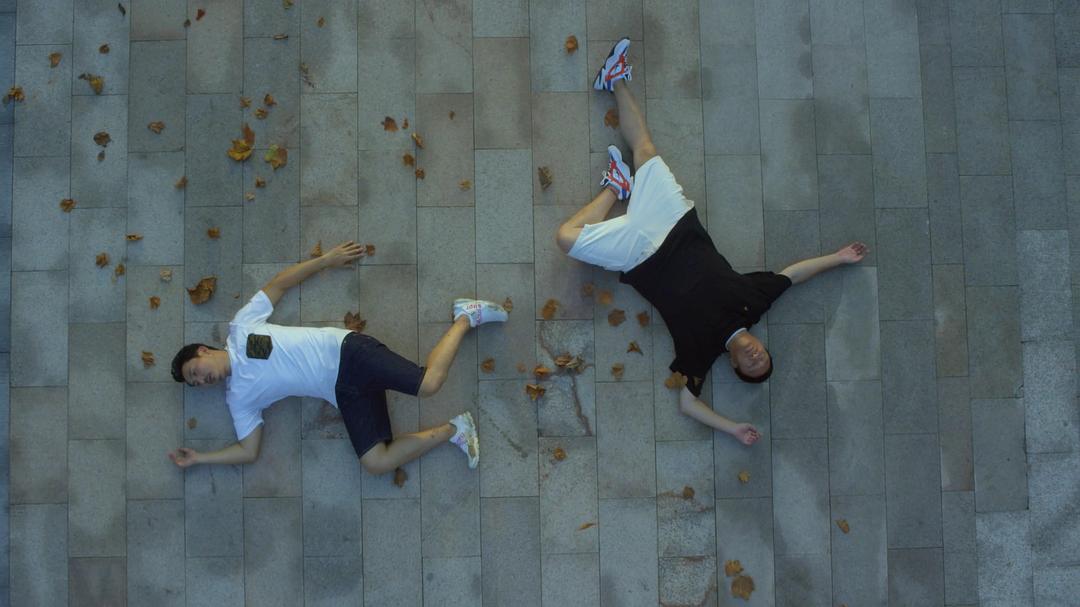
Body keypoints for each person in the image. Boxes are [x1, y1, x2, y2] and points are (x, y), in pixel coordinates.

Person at [557, 39, 869, 446]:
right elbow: (793, 275)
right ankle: (614, 80)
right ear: (762, 345)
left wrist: (733, 427)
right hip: (676, 221)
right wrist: (838, 258)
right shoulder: (754, 303)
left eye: (751, 366)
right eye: (763, 356)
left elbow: (687, 404)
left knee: (565, 239)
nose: (756, 356)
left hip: (638, 257)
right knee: (645, 148)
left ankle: (616, 188)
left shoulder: (700, 352)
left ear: (735, 366)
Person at [166, 241, 509, 474]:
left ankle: (466, 316)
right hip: (342, 392)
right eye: (196, 384)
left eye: (195, 371)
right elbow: (248, 450)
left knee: (429, 384)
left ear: (203, 351)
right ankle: (456, 429)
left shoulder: (241, 327)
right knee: (375, 462)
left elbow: (277, 285)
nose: (201, 380)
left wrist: (325, 261)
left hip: (349, 353)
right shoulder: (239, 398)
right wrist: (199, 459)